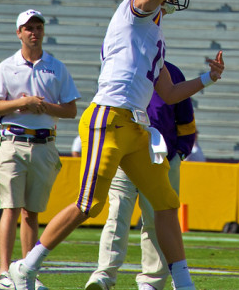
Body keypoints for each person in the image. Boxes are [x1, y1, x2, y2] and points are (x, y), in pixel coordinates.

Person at [4, 0, 236, 290]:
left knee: (167, 203)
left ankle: (184, 285)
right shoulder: (133, 9)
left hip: (136, 127)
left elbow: (170, 93)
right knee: (89, 204)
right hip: (108, 118)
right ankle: (25, 267)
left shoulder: (153, 34)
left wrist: (208, 78)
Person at [0, 9, 81, 290]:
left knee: (32, 212)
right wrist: (23, 103)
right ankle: (4, 272)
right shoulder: (6, 66)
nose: (34, 32)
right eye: (28, 28)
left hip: (45, 143)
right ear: (18, 33)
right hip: (13, 143)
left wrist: (43, 106)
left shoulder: (56, 67)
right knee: (10, 208)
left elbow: (71, 110)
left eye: (38, 27)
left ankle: (26, 271)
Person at [85, 60, 198, 290]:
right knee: (117, 214)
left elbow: (186, 121)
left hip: (160, 158)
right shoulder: (122, 67)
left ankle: (152, 281)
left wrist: (179, 153)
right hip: (124, 155)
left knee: (158, 219)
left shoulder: (172, 72)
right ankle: (104, 275)